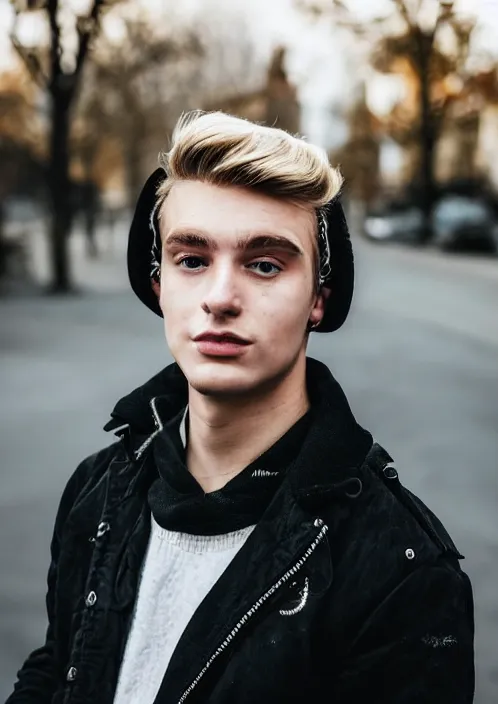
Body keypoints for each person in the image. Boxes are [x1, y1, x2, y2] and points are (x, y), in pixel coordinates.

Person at [7, 111, 474, 704]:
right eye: (192, 260)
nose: (220, 298)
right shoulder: (100, 488)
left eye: (265, 264)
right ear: (159, 284)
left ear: (318, 300)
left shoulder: (400, 569)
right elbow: (58, 664)